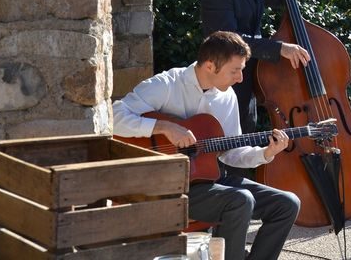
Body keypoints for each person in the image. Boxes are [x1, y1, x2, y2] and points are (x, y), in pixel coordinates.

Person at [113, 31, 301, 260]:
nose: (241, 78)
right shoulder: (167, 84)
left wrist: (266, 152)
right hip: (166, 185)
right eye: (235, 70)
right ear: (211, 66)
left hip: (208, 180)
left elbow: (232, 153)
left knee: (287, 203)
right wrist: (163, 127)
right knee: (240, 200)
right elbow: (112, 117)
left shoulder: (226, 96)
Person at [200, 0, 310, 136]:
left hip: (249, 81)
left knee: (245, 140)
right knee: (226, 145)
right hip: (225, 84)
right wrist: (279, 48)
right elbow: (230, 42)